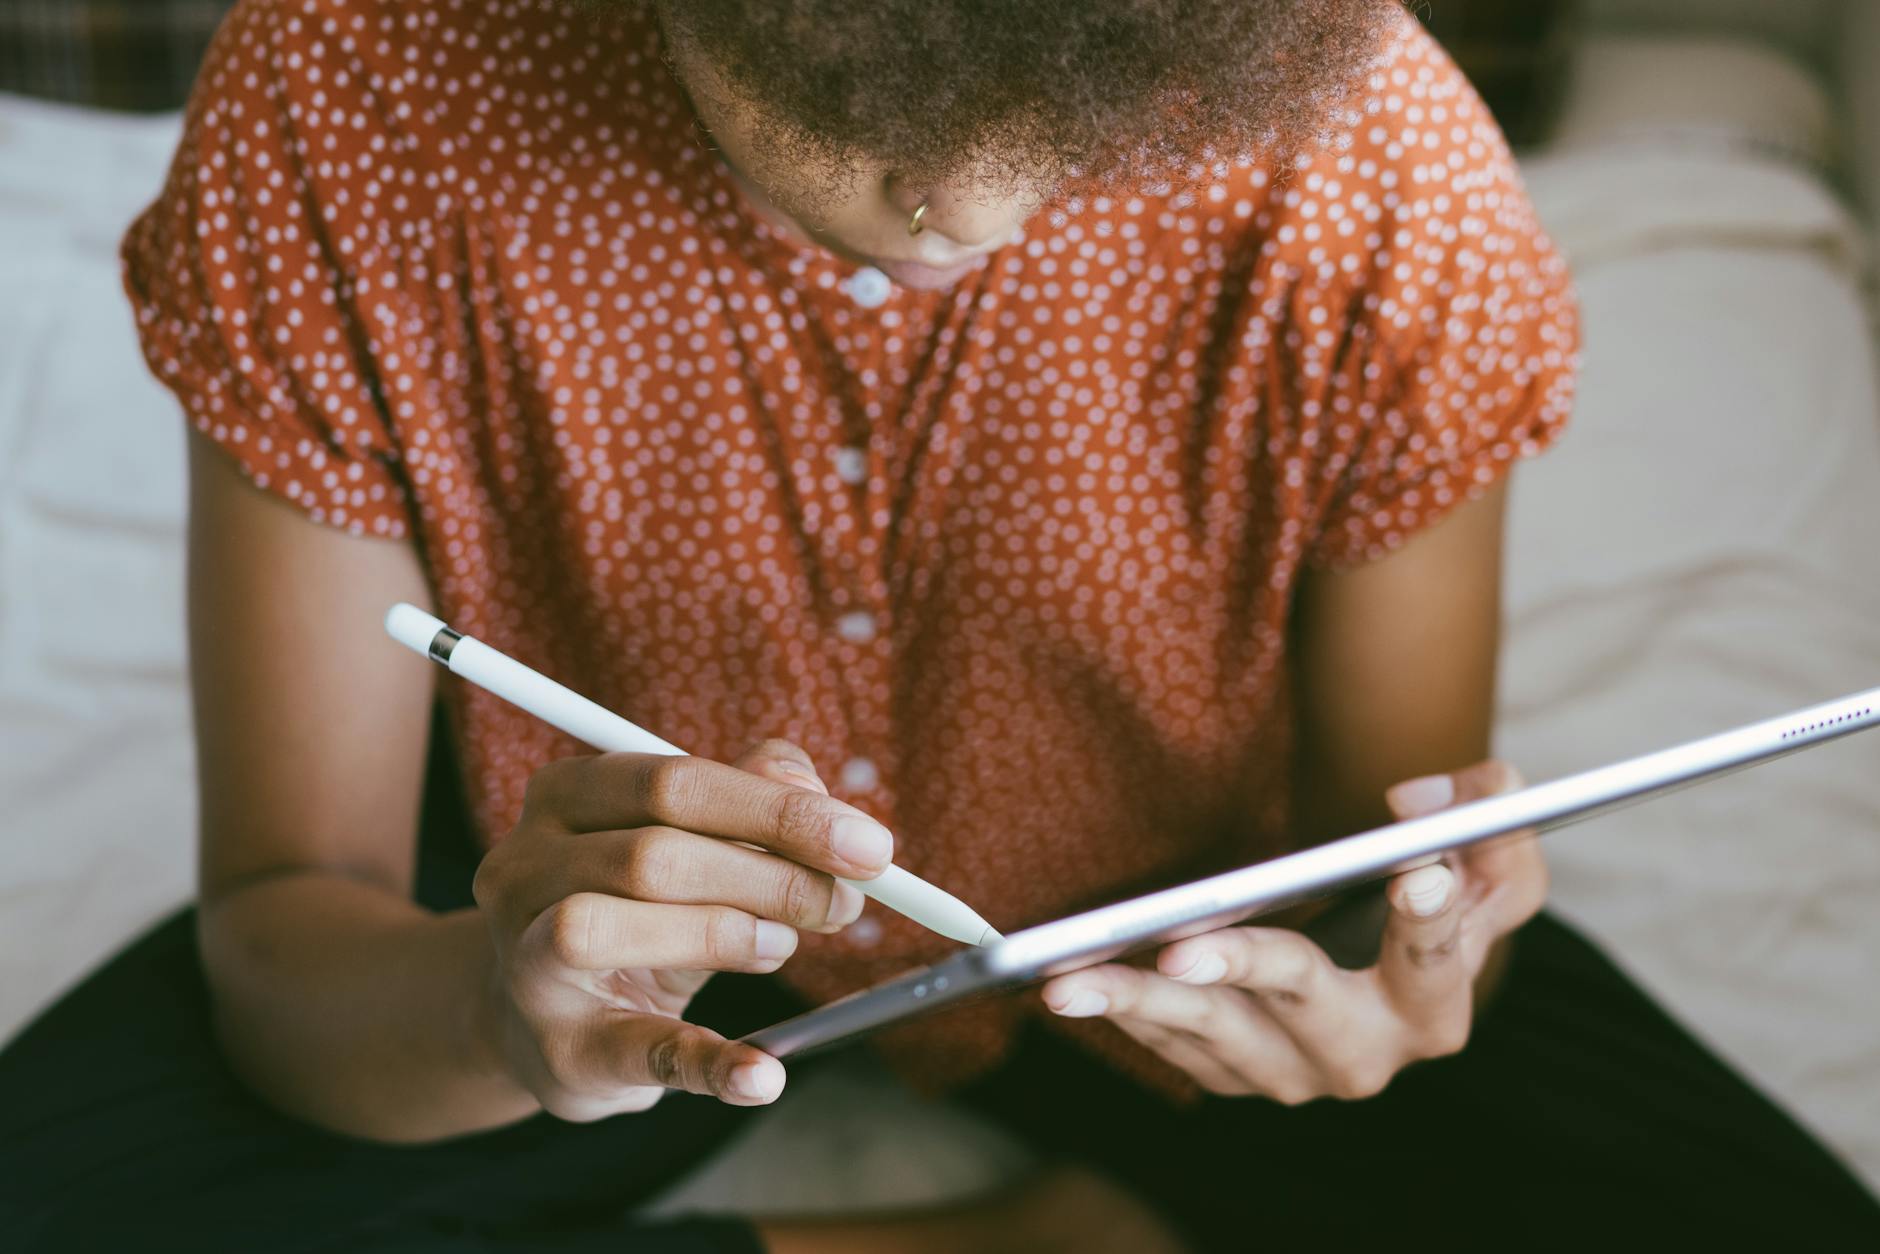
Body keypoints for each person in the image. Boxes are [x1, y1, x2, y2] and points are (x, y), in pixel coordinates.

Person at [3, 0, 1877, 1249]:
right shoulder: (356, 92)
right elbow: (285, 932)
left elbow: (1376, 863)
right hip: (575, 904)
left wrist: (1389, 998)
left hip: (1178, 929)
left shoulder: (1372, 164)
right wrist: (500, 1020)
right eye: (837, 86)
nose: (964, 202)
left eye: (1082, 121)